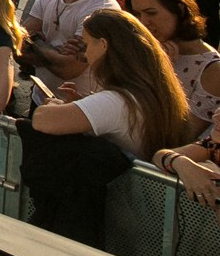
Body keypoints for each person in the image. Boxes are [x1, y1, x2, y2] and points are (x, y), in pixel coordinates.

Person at [32, 10, 188, 161]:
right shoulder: (149, 90)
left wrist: (54, 104)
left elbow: (42, 119)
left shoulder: (118, 100)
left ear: (103, 44)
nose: (85, 55)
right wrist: (80, 105)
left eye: (86, 45)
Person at [124, 0, 220, 133]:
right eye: (137, 15)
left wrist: (164, 74)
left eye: (151, 13)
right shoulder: (149, 50)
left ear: (179, 10)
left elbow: (183, 133)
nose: (144, 22)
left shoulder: (212, 70)